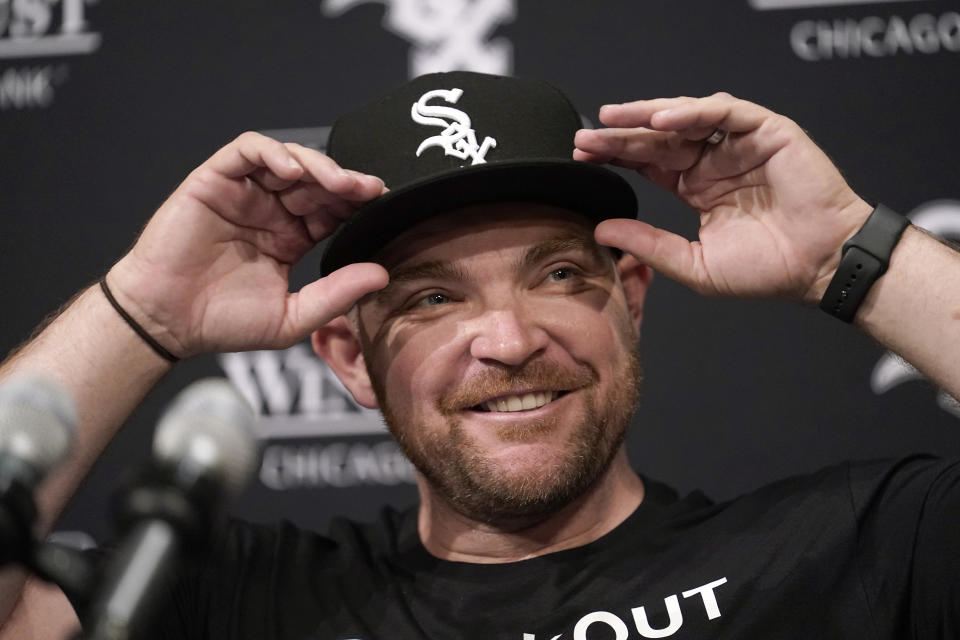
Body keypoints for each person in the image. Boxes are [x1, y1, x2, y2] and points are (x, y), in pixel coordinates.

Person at [0, 71, 958, 639]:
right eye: (431, 298)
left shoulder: (854, 553)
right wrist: (145, 313)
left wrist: (849, 253)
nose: (507, 341)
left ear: (629, 299)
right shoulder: (235, 604)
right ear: (347, 358)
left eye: (554, 277)